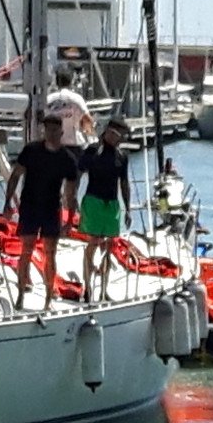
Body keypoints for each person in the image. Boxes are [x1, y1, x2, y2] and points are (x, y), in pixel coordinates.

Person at [2, 113, 79, 310]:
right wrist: (8, 201)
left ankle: (48, 299)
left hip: (51, 208)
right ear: (44, 131)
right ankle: (20, 295)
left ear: (61, 132)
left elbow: (71, 193)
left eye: (54, 130)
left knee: (49, 253)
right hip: (30, 205)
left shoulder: (67, 159)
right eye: (47, 129)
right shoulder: (31, 150)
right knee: (26, 250)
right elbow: (15, 176)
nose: (51, 133)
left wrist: (70, 219)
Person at [78, 117, 132, 302]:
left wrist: (128, 208)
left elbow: (124, 183)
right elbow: (78, 174)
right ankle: (87, 288)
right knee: (93, 242)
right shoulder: (93, 150)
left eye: (122, 137)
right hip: (93, 200)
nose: (120, 140)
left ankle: (104, 289)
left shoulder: (121, 156)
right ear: (108, 132)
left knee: (109, 246)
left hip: (112, 203)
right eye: (118, 135)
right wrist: (72, 200)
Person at [46, 68, 93, 160]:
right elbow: (87, 119)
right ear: (72, 81)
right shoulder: (76, 99)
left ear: (56, 82)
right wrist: (91, 140)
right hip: (74, 144)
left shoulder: (49, 99)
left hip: (52, 144)